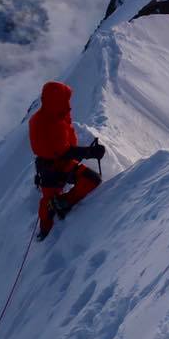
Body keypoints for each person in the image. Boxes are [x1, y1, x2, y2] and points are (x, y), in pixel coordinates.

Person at [29, 81, 105, 240]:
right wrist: (90, 152)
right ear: (55, 101)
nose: (69, 106)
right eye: (64, 101)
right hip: (52, 169)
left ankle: (60, 203)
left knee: (90, 180)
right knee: (49, 200)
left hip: (56, 165)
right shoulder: (48, 123)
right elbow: (63, 152)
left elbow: (64, 149)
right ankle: (45, 228)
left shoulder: (54, 116)